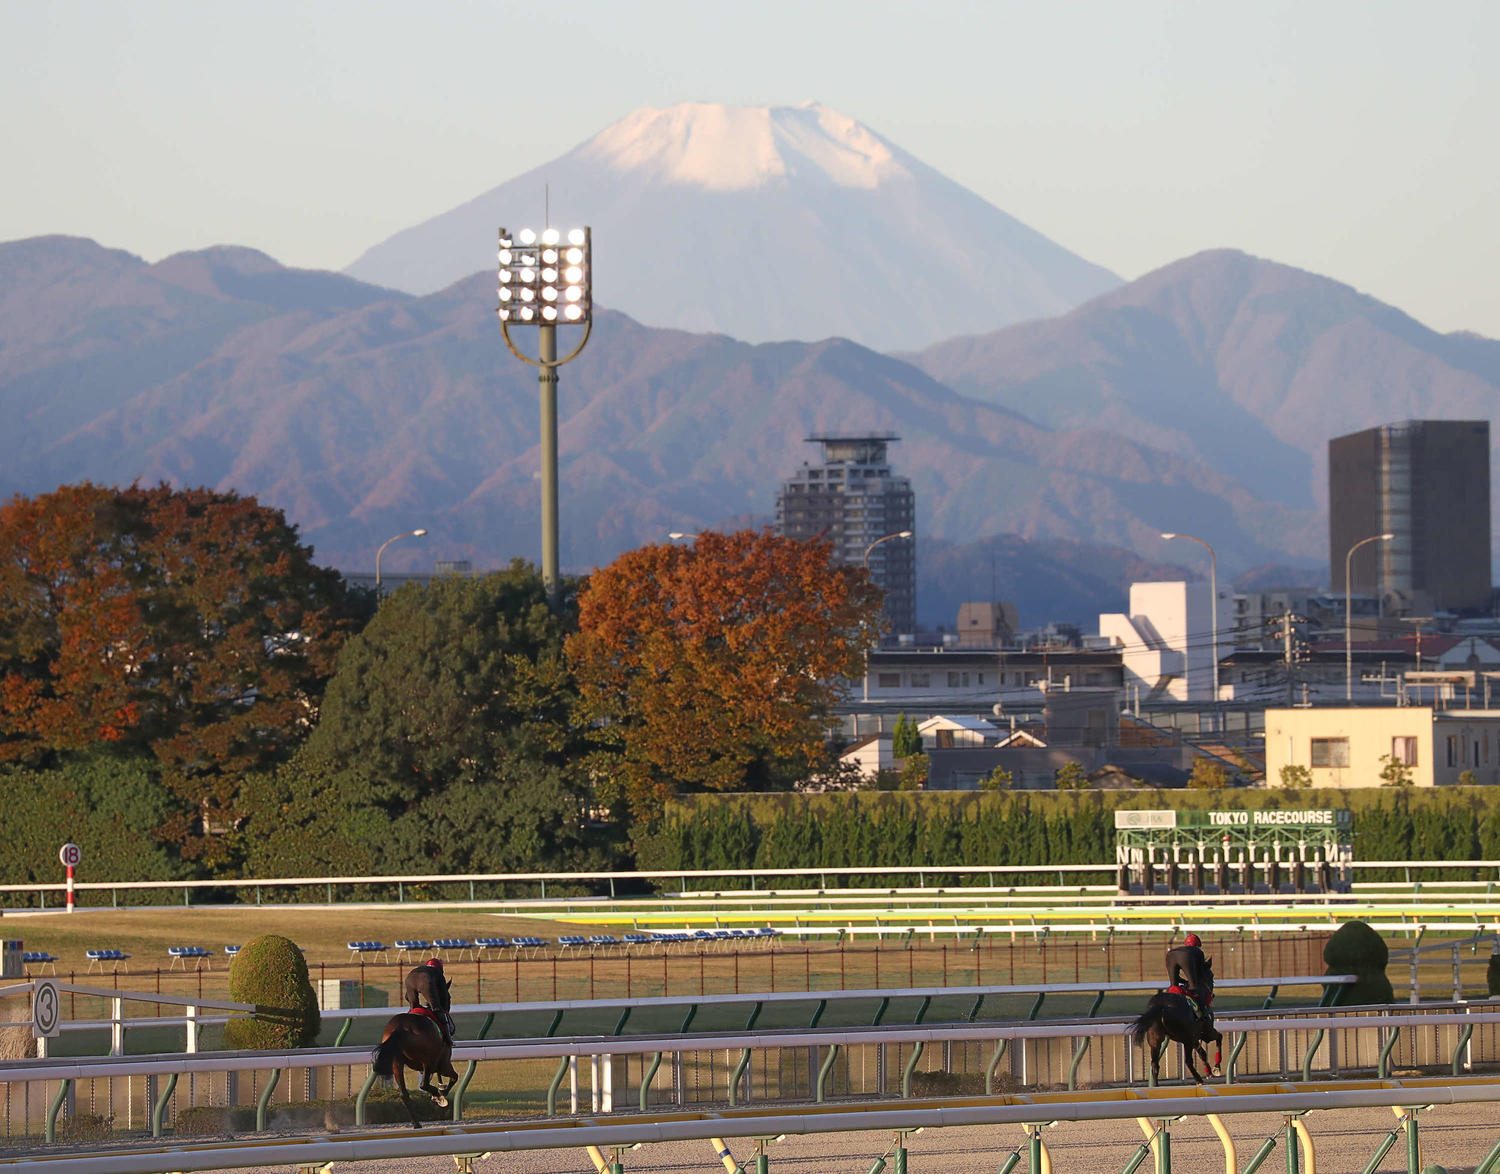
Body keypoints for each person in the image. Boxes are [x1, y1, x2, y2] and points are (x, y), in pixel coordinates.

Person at [1164, 933, 1213, 1027]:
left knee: (1173, 986)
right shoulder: (1197, 952)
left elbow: (1177, 978)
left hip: (1170, 955)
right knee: (1194, 987)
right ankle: (1202, 1016)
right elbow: (1200, 973)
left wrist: (1184, 982)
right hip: (1185, 957)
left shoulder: (1178, 950)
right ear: (1197, 945)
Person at [403, 957, 455, 1040]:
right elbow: (444, 995)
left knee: (413, 1009)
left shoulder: (421, 970)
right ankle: (448, 1039)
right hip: (426, 981)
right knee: (437, 1009)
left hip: (410, 978)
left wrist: (418, 1006)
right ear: (440, 969)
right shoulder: (438, 973)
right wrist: (444, 1010)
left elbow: (406, 997)